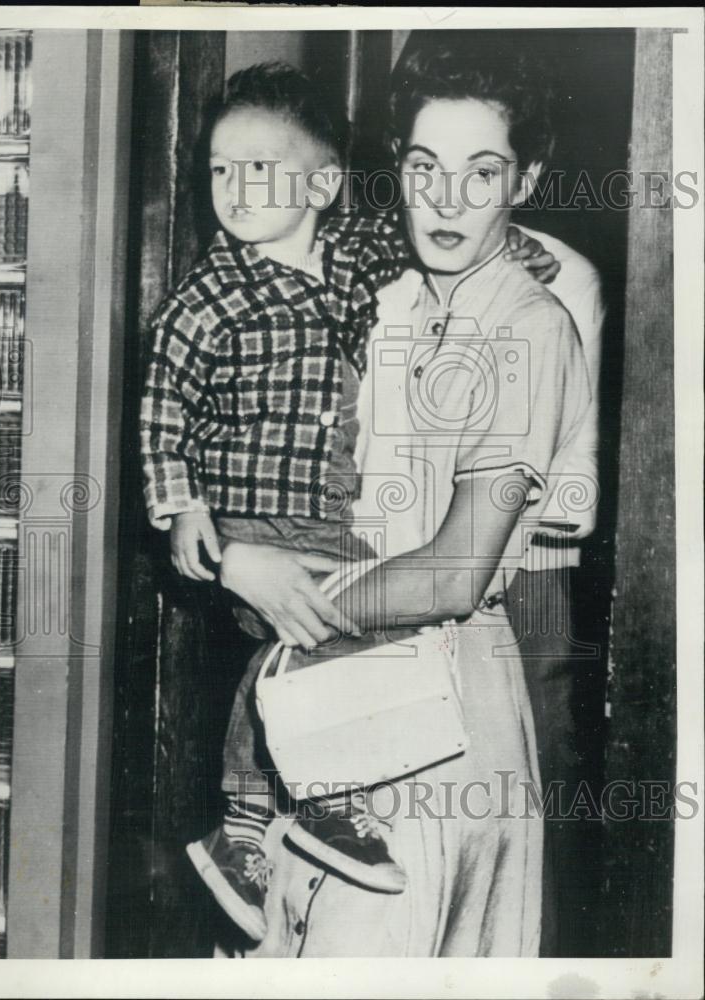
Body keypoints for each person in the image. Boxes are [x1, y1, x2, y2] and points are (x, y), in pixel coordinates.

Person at [140, 60, 562, 945]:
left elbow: (449, 575)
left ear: (523, 181)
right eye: (422, 168)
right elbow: (181, 421)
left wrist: (270, 582)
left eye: (483, 172)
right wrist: (228, 550)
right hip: (326, 683)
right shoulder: (387, 292)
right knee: (294, 933)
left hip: (440, 687)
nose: (446, 200)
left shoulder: (529, 322)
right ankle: (250, 830)